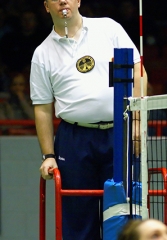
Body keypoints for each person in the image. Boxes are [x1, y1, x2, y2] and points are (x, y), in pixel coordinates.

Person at [30, 0, 148, 240]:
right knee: (77, 218)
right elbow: (42, 107)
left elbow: (138, 73)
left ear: (78, 1)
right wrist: (48, 156)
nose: (63, 0)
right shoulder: (42, 53)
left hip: (118, 133)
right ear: (46, 6)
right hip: (74, 140)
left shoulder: (109, 29)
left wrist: (137, 123)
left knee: (123, 217)